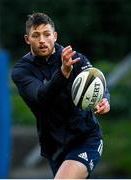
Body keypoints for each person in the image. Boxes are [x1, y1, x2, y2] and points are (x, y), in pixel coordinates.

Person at [11, 12, 110, 179]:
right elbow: (41, 96)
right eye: (36, 35)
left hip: (86, 139)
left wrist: (104, 99)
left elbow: (96, 81)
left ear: (55, 36)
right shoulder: (22, 71)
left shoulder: (73, 58)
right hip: (54, 147)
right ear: (27, 39)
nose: (42, 40)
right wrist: (62, 73)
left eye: (47, 34)